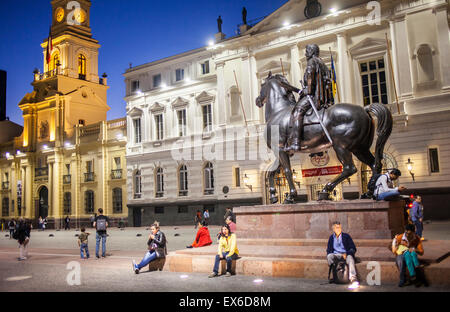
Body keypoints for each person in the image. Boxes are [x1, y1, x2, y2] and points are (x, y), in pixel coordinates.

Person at [286, 44, 334, 152]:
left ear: (312, 51)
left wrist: (307, 90)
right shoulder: (322, 63)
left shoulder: (312, 62)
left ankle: (296, 142)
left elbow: (310, 76)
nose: (305, 53)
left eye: (307, 51)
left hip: (313, 96)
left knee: (297, 111)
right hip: (323, 96)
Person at [326, 221, 359, 287]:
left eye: (339, 227)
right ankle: (335, 275)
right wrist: (330, 253)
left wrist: (347, 253)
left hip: (346, 254)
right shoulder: (331, 238)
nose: (338, 229)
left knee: (350, 258)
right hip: (336, 255)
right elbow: (328, 250)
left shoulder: (346, 236)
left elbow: (353, 248)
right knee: (329, 256)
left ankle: (353, 278)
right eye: (336, 227)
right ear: (333, 229)